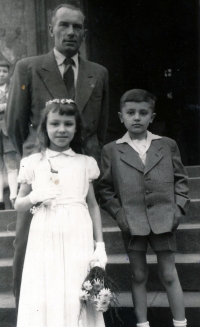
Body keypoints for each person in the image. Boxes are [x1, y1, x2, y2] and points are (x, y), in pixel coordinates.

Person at [6, 3, 109, 307]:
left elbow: (100, 129)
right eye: (63, 25)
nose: (70, 32)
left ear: (85, 33)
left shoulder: (97, 73)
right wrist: (35, 159)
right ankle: (28, 310)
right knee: (27, 244)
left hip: (79, 173)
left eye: (77, 27)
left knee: (80, 246)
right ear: (51, 29)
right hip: (41, 171)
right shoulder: (29, 67)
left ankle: (79, 311)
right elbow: (14, 124)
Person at [97, 89, 190, 327]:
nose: (136, 117)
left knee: (169, 275)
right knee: (138, 275)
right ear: (121, 116)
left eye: (143, 113)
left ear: (152, 116)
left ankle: (180, 323)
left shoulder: (166, 145)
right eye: (130, 113)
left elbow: (181, 180)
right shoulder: (111, 150)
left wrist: (177, 209)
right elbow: (105, 189)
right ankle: (142, 324)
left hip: (164, 219)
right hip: (132, 221)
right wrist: (120, 215)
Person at [15, 99, 107, 327]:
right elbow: (19, 204)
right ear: (45, 127)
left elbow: (93, 205)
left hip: (78, 229)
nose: (62, 129)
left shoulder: (85, 162)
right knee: (48, 286)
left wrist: (100, 244)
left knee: (76, 285)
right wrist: (35, 196)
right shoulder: (33, 162)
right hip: (45, 229)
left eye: (68, 123)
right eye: (55, 124)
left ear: (76, 128)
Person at [0, 60, 18, 209]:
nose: (1, 74)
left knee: (11, 164)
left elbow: (16, 105)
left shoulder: (12, 90)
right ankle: (0, 200)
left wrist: (5, 106)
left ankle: (14, 196)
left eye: (4, 71)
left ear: (8, 74)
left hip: (7, 131)